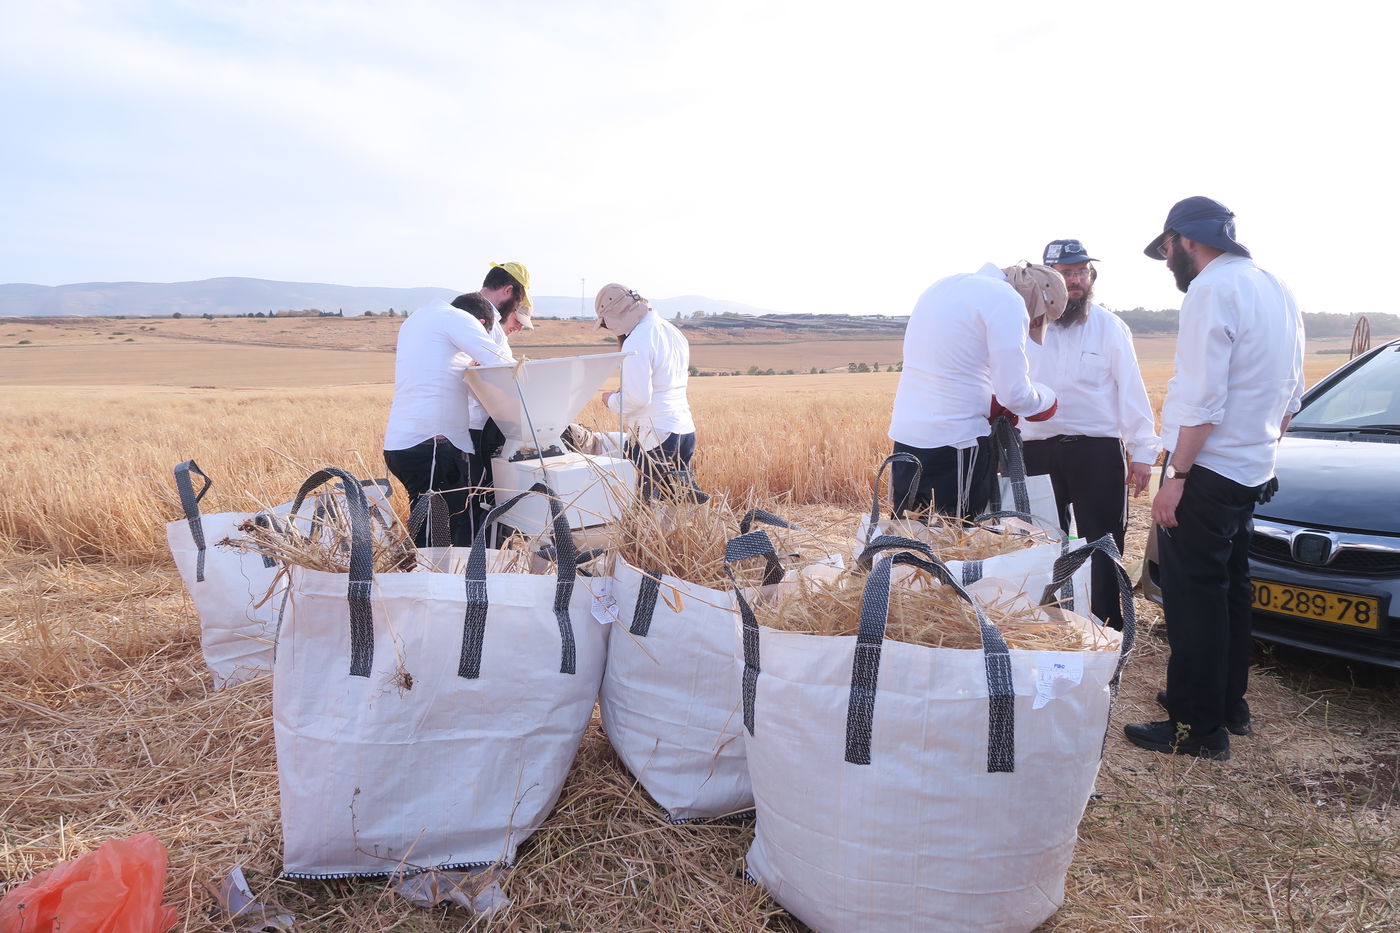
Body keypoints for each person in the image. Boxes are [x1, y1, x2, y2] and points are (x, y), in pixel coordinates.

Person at [1124, 197, 1305, 760]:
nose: (1169, 261)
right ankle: (1227, 703)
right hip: (1252, 468)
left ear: (1185, 240)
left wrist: (1175, 475)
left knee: (1193, 598)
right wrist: (1258, 449)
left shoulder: (1210, 290)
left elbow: (1202, 397)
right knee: (1230, 588)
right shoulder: (1274, 285)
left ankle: (1196, 728)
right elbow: (1292, 393)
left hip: (1208, 469)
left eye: (1168, 249)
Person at [1019, 239, 1160, 629]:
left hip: (1096, 452)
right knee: (1040, 542)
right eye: (1066, 274)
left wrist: (1142, 451)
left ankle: (1104, 628)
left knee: (1102, 542)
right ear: (1045, 280)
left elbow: (1131, 389)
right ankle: (1043, 626)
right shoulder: (1020, 328)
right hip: (1034, 451)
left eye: (1082, 272)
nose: (1076, 281)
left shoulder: (1110, 328)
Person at [887, 262, 1063, 519]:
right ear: (1037, 301)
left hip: (906, 440)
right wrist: (1046, 400)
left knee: (909, 535)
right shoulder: (1008, 300)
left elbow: (952, 364)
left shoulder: (943, 285)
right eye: (1038, 320)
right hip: (958, 444)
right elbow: (1015, 394)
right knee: (957, 543)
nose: (1032, 325)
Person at [383, 261, 531, 546]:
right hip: (433, 447)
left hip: (402, 446)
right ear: (482, 324)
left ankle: (423, 575)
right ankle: (438, 583)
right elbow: (503, 367)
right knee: (442, 535)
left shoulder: (419, 317)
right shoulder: (458, 319)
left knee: (429, 525)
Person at [594, 283, 706, 503]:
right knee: (675, 510)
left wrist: (611, 399)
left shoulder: (637, 339)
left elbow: (638, 398)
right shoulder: (672, 331)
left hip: (654, 438)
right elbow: (660, 383)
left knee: (645, 513)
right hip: (684, 431)